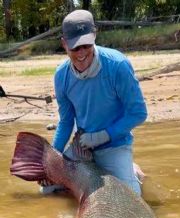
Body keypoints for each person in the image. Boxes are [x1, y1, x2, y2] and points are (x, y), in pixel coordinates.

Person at [40, 9, 147, 196]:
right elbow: (66, 122)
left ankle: (130, 170)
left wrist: (105, 135)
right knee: (47, 190)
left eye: (86, 45)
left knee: (131, 197)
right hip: (82, 147)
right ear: (64, 44)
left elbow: (138, 113)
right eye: (74, 47)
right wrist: (52, 160)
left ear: (95, 36)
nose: (81, 53)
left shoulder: (118, 65)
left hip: (114, 144)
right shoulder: (61, 75)